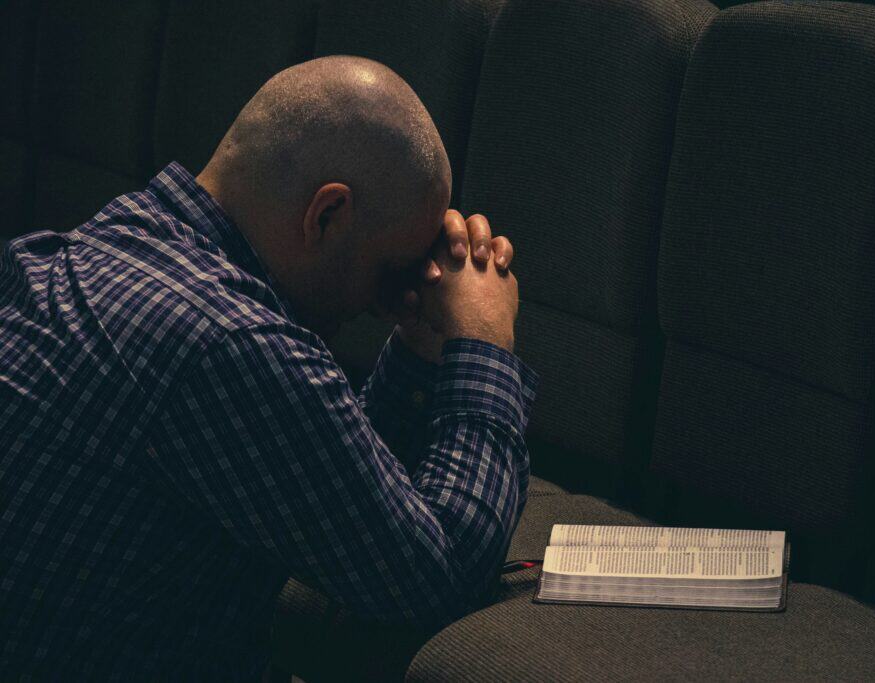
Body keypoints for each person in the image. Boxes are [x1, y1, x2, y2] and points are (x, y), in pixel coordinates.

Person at [0, 55, 538, 680]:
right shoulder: (231, 343)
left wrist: (423, 346)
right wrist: (487, 342)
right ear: (327, 213)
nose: (379, 299)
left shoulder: (81, 249)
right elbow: (434, 576)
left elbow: (311, 477)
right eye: (389, 268)